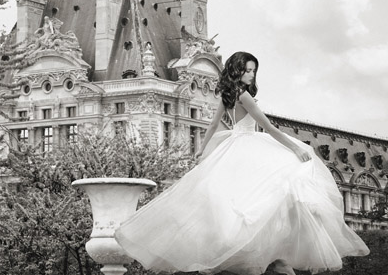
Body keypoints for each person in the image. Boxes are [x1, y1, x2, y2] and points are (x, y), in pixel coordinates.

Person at [114, 52, 369, 275]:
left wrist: (200, 154)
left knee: (245, 203)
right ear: (238, 71)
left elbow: (213, 125)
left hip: (234, 146)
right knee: (282, 189)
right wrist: (294, 147)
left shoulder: (227, 94)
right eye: (248, 70)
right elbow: (267, 127)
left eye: (253, 71)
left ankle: (270, 256)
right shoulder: (244, 96)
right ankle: (279, 256)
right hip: (248, 143)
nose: (251, 75)